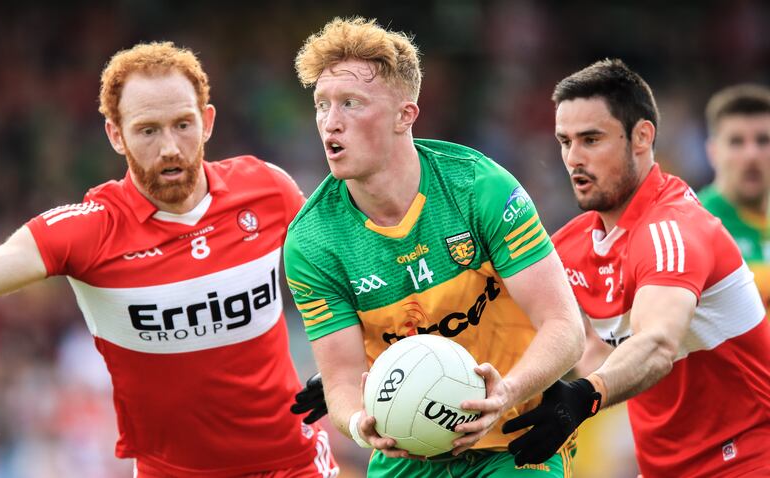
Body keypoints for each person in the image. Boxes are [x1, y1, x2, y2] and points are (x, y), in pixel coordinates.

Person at [0, 41, 338, 477]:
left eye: (183, 124)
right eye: (147, 131)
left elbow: (348, 267)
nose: (169, 148)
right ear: (116, 135)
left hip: (293, 463)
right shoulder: (91, 230)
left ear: (207, 122)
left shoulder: (267, 189)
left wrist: (349, 368)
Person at [284, 17, 585, 477]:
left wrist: (507, 392)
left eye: (351, 103)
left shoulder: (478, 188)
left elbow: (564, 327)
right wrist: (360, 425)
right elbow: (341, 381)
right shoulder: (312, 241)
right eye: (321, 105)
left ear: (405, 115)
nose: (331, 123)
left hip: (514, 440)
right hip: (405, 451)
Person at [503, 59, 770, 477]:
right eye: (565, 141)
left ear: (642, 137)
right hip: (664, 467)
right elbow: (582, 349)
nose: (574, 158)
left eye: (591, 139)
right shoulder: (573, 245)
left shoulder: (674, 230)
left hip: (749, 459)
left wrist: (585, 396)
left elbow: (656, 344)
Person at [698, 84, 770, 308]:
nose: (751, 154)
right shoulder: (696, 224)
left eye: (763, 140)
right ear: (713, 152)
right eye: (736, 142)